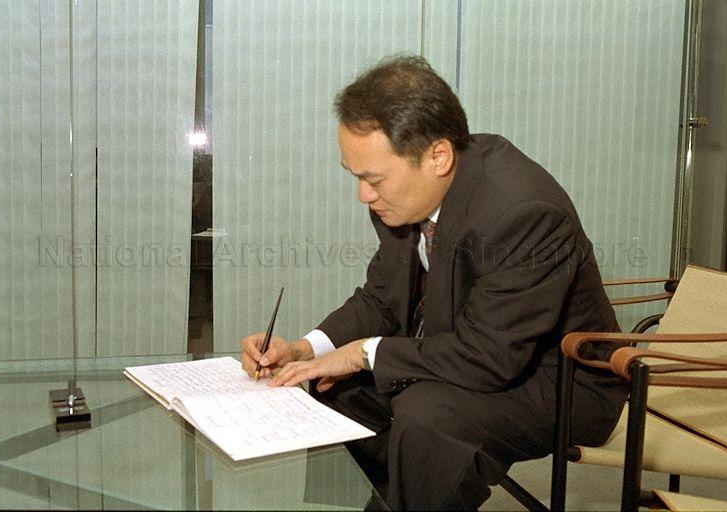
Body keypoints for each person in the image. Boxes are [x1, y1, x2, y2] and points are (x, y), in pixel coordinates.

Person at [240, 55, 627, 510]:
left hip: (561, 379)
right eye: (356, 177)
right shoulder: (405, 197)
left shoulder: (522, 212)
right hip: (475, 352)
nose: (363, 194)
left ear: (438, 156)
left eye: (373, 179)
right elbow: (384, 297)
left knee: (429, 416)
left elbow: (490, 357)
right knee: (336, 388)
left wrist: (364, 352)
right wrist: (307, 351)